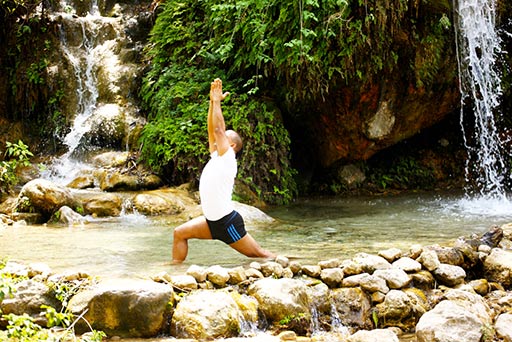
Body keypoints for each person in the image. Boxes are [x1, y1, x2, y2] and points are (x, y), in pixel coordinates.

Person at [172, 78, 275, 264]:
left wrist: (218, 102)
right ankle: (174, 270)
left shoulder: (228, 158)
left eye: (223, 138)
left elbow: (219, 129)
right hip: (211, 222)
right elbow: (212, 131)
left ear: (232, 144)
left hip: (227, 223)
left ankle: (291, 262)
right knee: (179, 233)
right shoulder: (217, 156)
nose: (218, 139)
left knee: (259, 254)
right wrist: (212, 102)